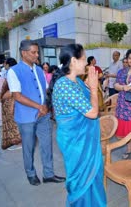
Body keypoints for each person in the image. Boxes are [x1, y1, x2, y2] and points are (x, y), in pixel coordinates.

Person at [52, 44, 106, 206]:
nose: (86, 64)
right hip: (75, 142)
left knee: (93, 175)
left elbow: (88, 103)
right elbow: (92, 112)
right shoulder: (64, 85)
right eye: (84, 59)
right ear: (74, 61)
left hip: (85, 141)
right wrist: (95, 87)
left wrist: (90, 86)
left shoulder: (76, 82)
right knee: (81, 180)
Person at [7, 40, 65, 186]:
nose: (36, 55)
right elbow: (17, 96)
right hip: (26, 117)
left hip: (43, 115)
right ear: (24, 53)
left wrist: (45, 106)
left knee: (47, 145)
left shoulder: (39, 69)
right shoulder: (14, 71)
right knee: (28, 147)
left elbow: (45, 91)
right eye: (33, 52)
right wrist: (39, 107)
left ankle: (48, 174)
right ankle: (30, 173)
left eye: (37, 52)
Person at [0, 58, 22, 150]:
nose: (4, 65)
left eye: (5, 63)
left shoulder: (11, 72)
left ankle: (19, 141)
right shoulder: (16, 71)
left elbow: (13, 89)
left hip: (12, 100)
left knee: (13, 122)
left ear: (8, 64)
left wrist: (5, 96)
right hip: (14, 100)